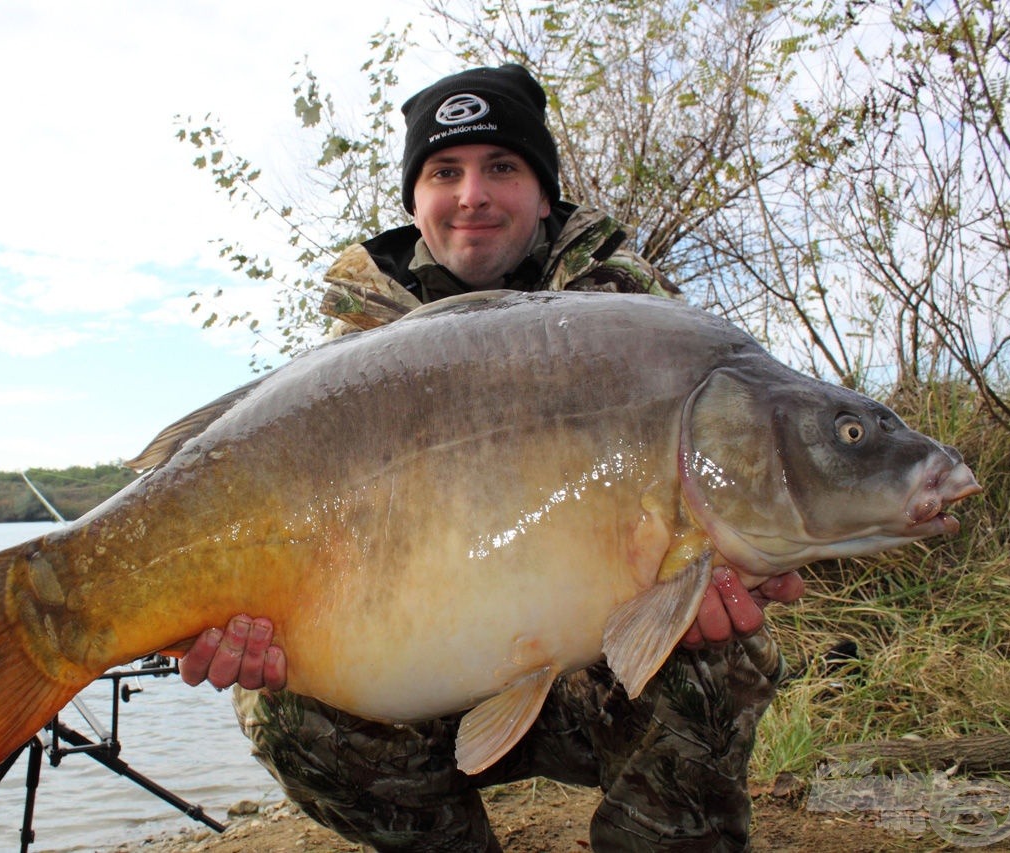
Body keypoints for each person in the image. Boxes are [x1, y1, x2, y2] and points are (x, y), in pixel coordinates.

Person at [181, 64, 804, 851]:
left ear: (544, 193)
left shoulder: (641, 328)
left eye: (502, 167)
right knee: (286, 706)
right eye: (446, 171)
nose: (472, 194)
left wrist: (747, 552)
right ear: (414, 200)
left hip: (596, 684)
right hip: (418, 685)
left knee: (725, 648)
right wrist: (231, 626)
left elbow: (723, 498)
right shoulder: (353, 360)